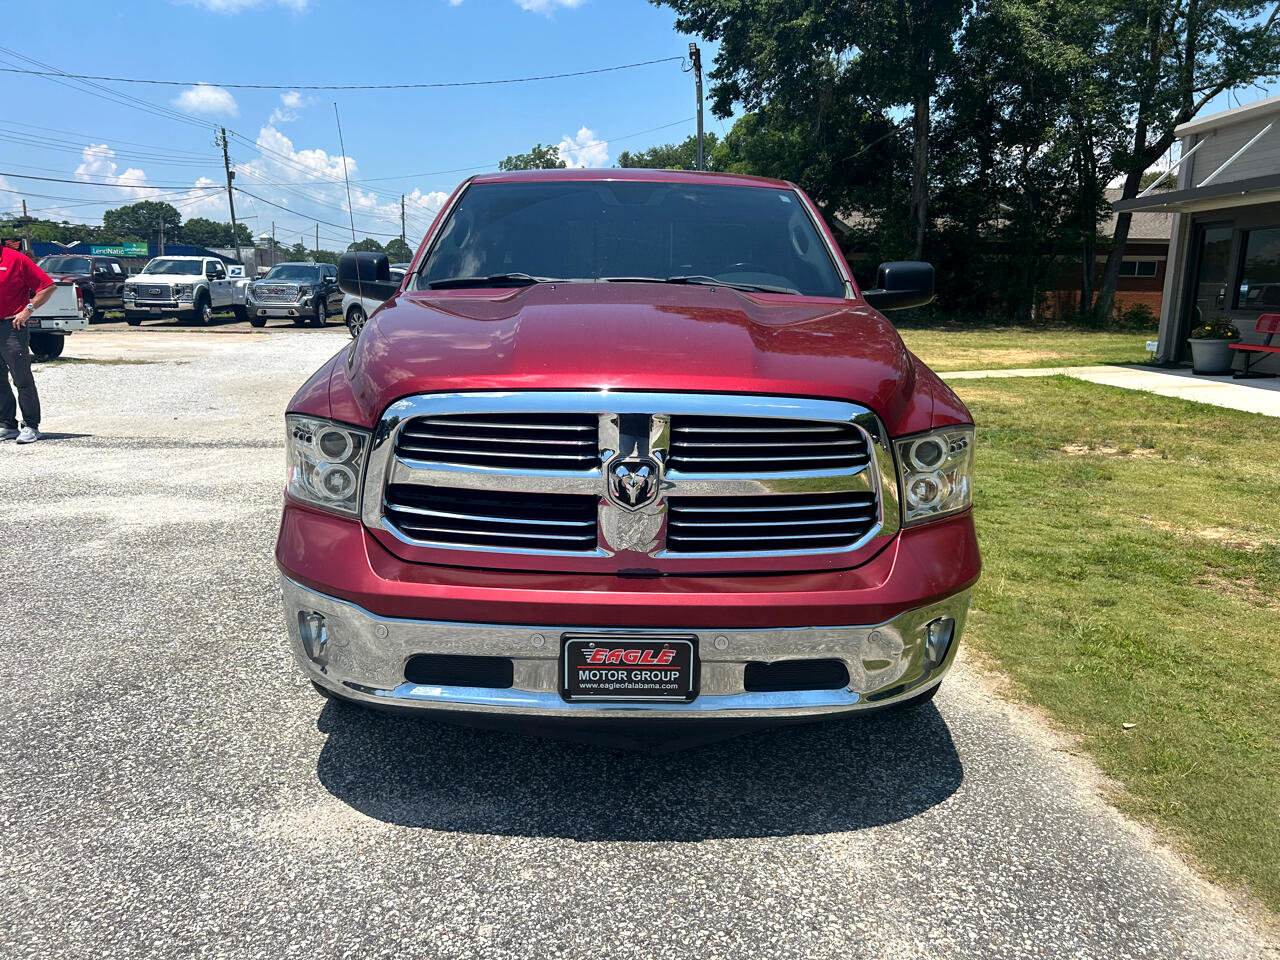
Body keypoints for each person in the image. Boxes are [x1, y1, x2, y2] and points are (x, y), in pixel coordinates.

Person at [0, 240, 54, 444]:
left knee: (21, 378)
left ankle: (31, 425)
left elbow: (48, 286)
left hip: (11, 327)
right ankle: (7, 424)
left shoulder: (16, 259)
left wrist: (27, 310)